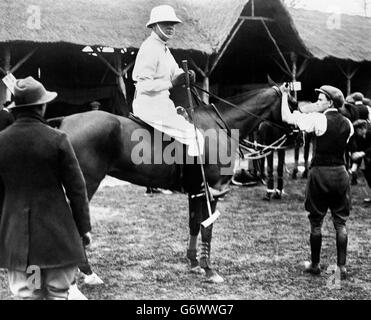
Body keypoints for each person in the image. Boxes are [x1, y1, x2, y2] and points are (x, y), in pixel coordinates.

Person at [0, 76, 92, 299]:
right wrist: (83, 229)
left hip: (20, 246)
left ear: (17, 108)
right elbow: (77, 191)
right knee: (58, 293)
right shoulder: (57, 139)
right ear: (41, 107)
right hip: (56, 241)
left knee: (30, 294)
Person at [132, 5, 223, 197]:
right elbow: (143, 86)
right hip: (148, 106)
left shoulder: (163, 49)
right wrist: (172, 82)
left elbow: (176, 73)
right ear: (154, 26)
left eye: (173, 24)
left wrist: (187, 75)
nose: (171, 27)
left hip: (162, 106)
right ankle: (193, 186)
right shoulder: (149, 48)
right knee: (195, 136)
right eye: (166, 24)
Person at [280, 84, 353, 280]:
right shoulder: (348, 123)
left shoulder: (318, 119)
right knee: (340, 223)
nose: (317, 103)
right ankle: (341, 268)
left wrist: (284, 95)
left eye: (320, 100)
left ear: (330, 102)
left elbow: (287, 118)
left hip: (320, 173)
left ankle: (315, 264)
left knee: (316, 222)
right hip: (341, 173)